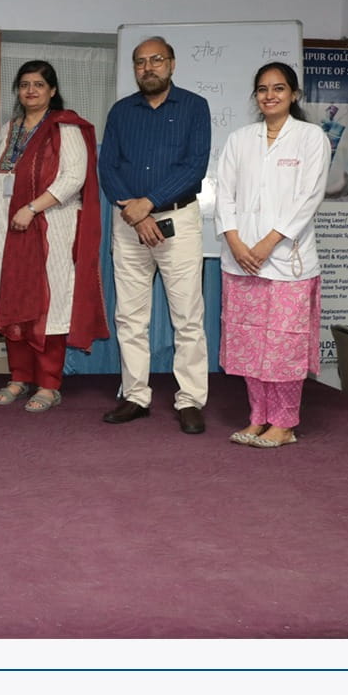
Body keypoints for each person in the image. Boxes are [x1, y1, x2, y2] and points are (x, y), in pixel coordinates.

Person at [98, 35, 212, 433]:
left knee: (188, 317)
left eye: (156, 60)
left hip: (178, 222)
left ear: (172, 64)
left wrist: (149, 202)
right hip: (129, 222)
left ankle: (190, 399)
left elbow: (195, 166)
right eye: (140, 62)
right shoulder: (120, 111)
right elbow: (108, 167)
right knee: (129, 316)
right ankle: (135, 395)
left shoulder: (195, 107)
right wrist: (137, 212)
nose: (148, 68)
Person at [215, 63, 332, 447]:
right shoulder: (240, 139)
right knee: (250, 342)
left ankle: (284, 423)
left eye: (279, 88)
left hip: (287, 259)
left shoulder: (311, 137)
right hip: (241, 260)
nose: (270, 95)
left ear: (293, 94)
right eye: (263, 89)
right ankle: (258, 417)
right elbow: (224, 194)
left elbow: (309, 197)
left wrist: (268, 243)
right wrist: (235, 241)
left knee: (284, 343)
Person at [0, 60, 107, 411]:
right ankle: (18, 377)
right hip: (9, 229)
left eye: (39, 84)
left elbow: (73, 178)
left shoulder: (64, 128)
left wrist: (32, 208)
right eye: (25, 84)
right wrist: (12, 216)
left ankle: (48, 383)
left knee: (50, 302)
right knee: (14, 300)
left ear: (52, 90)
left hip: (51, 226)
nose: (31, 90)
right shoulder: (9, 129)